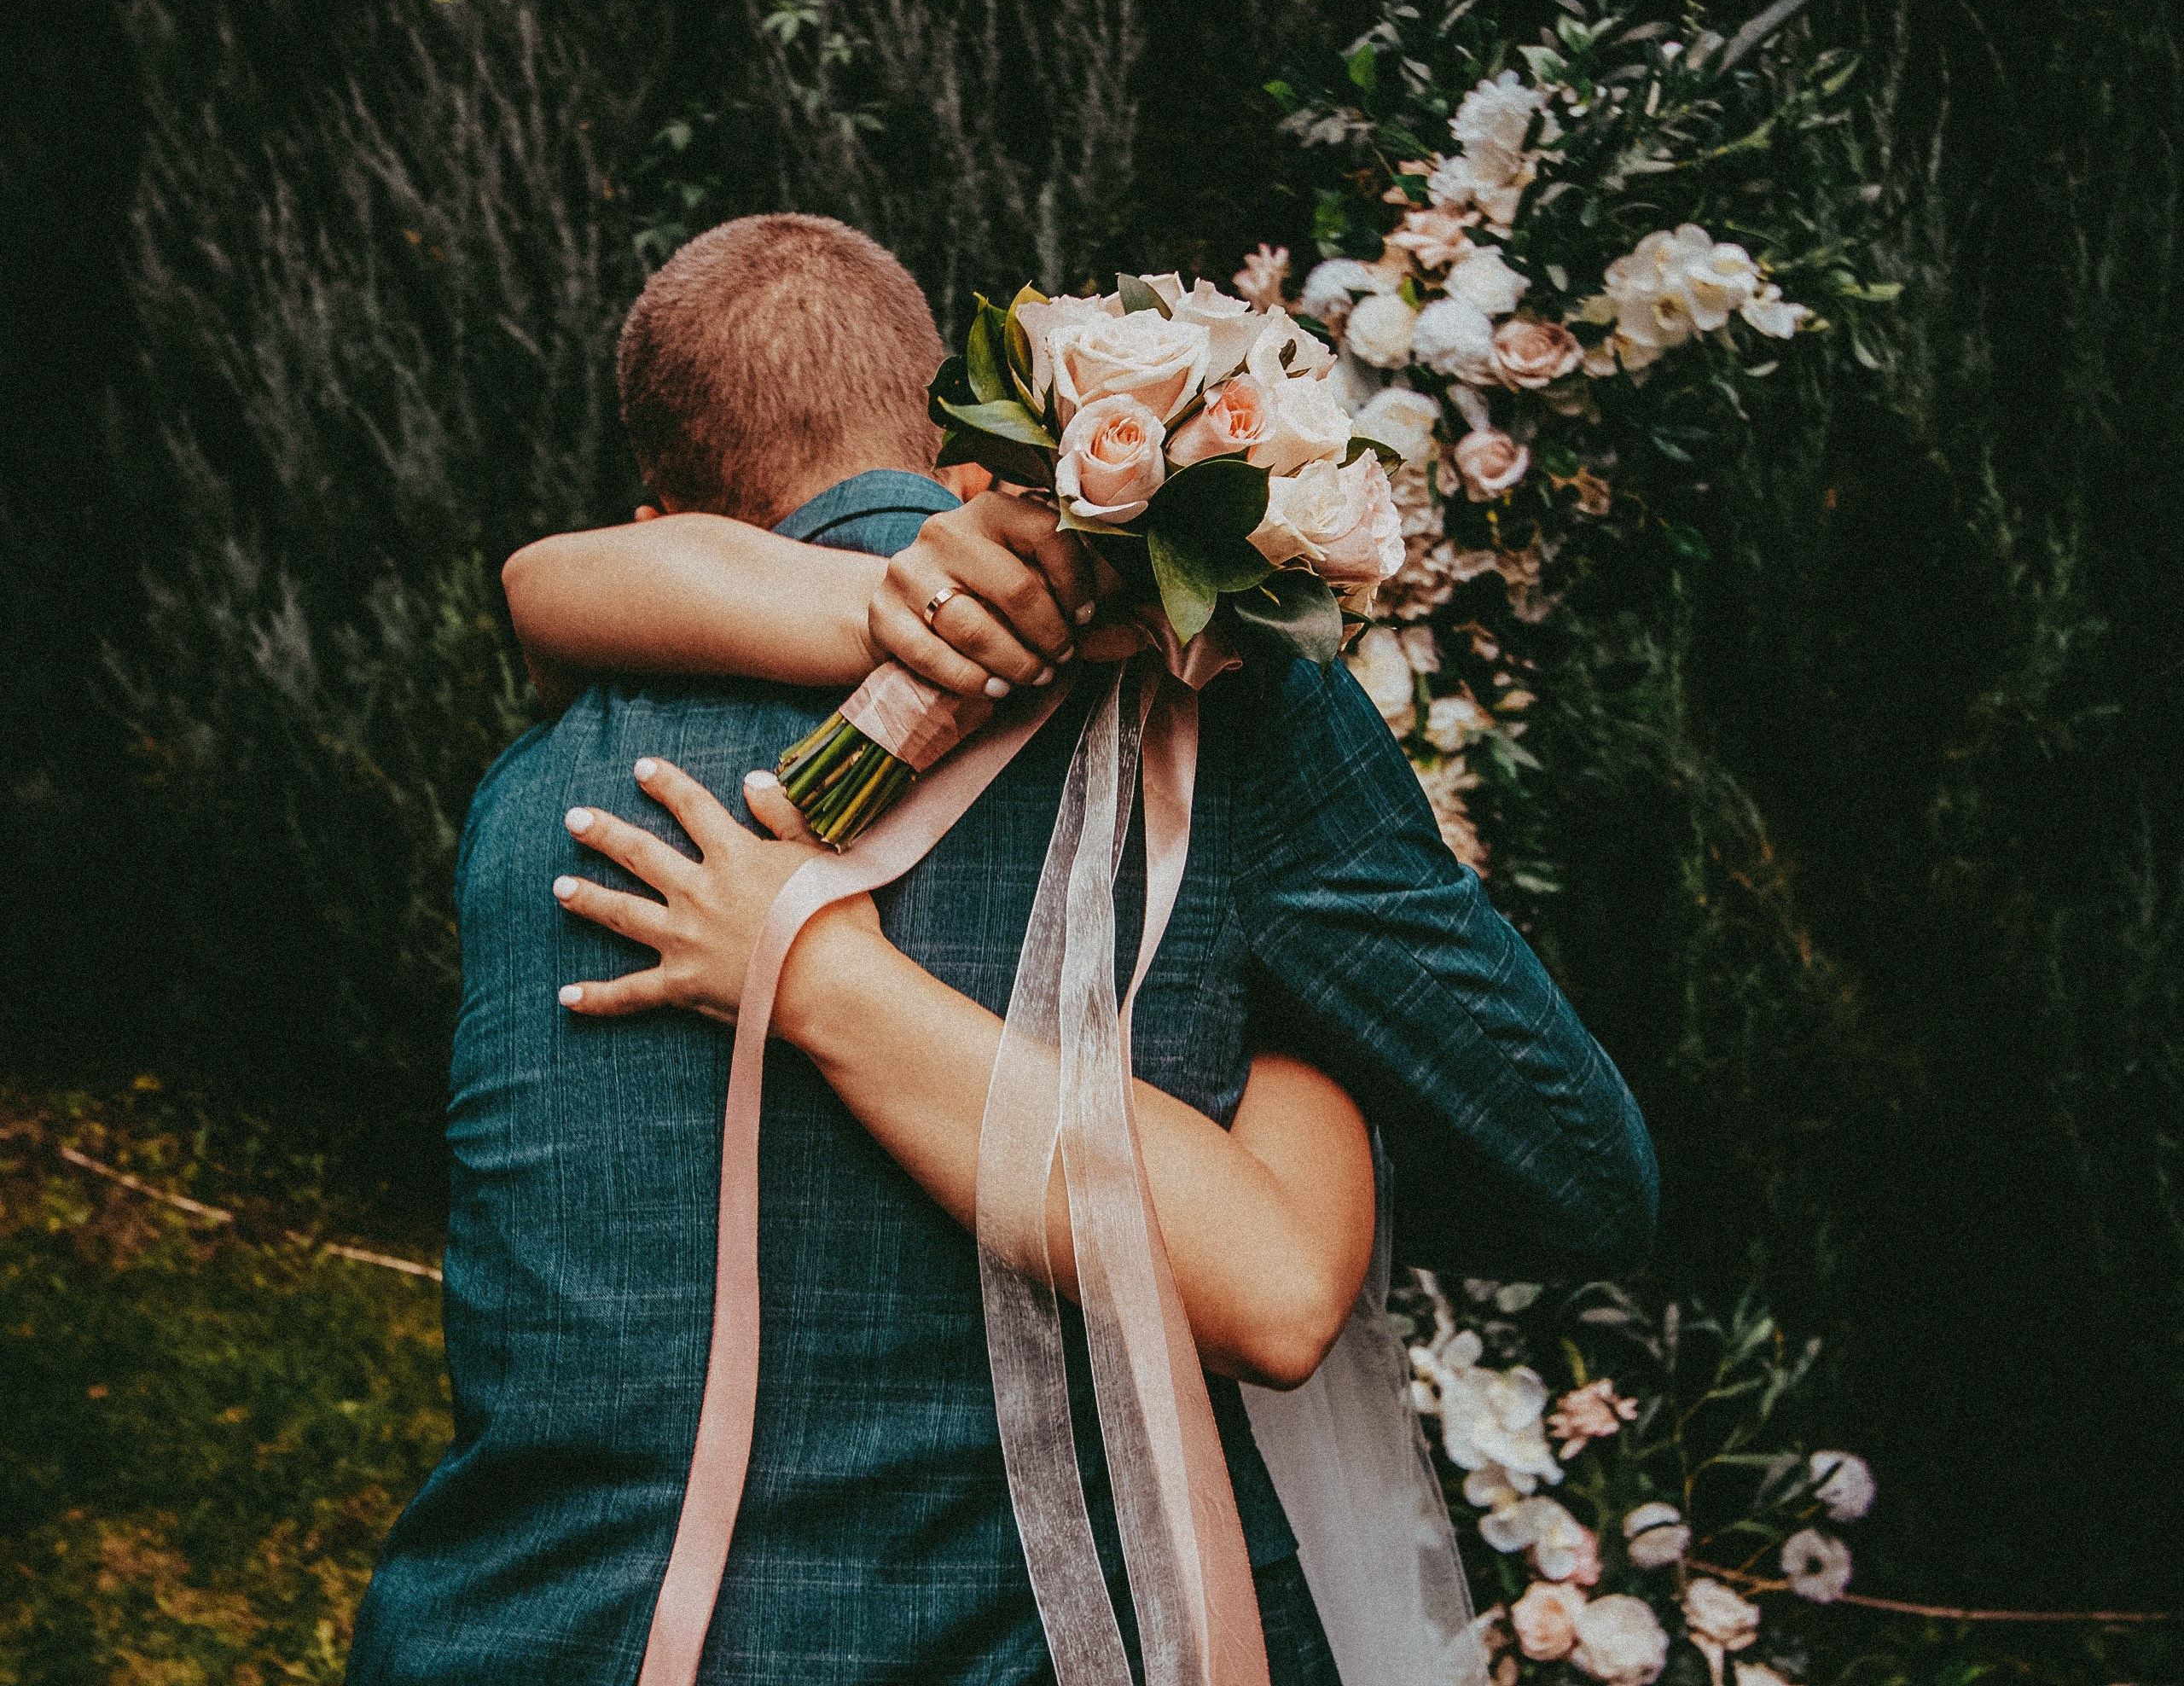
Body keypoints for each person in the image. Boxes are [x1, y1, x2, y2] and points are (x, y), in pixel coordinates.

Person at [346, 212, 1657, 1684]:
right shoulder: (1203, 706)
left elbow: (555, 586)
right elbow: (1577, 1175)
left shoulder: (532, 799)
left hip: (523, 1639)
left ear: (667, 516)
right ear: (966, 460)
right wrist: (1308, 1032)